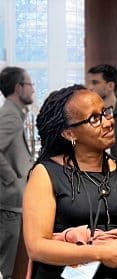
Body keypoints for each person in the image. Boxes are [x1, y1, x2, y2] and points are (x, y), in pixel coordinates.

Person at [22, 84, 117, 278]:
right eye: (94, 118)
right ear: (69, 134)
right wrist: (100, 253)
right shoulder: (45, 174)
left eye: (105, 112)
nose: (108, 122)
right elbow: (36, 246)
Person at [0, 66, 34, 278]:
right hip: (10, 204)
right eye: (29, 85)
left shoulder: (16, 115)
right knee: (12, 266)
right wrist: (12, 180)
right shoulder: (10, 116)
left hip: (14, 203)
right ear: (18, 87)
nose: (32, 90)